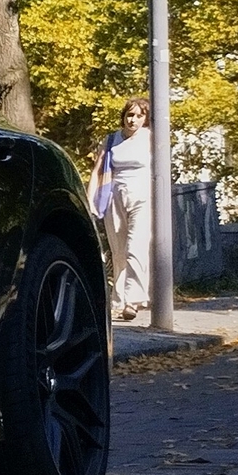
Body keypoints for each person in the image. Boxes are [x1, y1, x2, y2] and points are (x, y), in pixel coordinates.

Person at [91, 97, 154, 321]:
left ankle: (133, 300)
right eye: (130, 114)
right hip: (115, 197)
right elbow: (98, 170)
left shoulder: (151, 139)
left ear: (145, 118)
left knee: (135, 247)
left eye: (139, 115)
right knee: (118, 251)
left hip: (142, 196)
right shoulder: (112, 140)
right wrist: (90, 199)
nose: (133, 119)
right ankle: (119, 300)